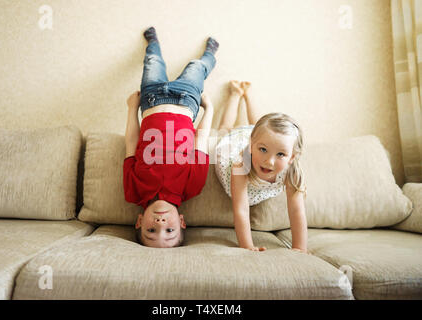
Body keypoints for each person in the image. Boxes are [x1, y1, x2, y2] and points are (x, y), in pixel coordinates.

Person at [123, 27, 217, 248]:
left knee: (152, 60)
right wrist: (210, 108)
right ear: (182, 222)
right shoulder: (192, 186)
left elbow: (131, 143)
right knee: (197, 67)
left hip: (151, 99)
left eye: (151, 230)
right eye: (169, 230)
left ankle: (153, 42)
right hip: (186, 99)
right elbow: (201, 139)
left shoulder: (133, 190)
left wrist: (131, 108)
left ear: (139, 221)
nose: (160, 222)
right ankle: (210, 54)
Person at [215, 81, 308, 252]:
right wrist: (247, 246)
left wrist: (300, 248)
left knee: (261, 131)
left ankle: (248, 95)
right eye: (263, 150)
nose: (269, 161)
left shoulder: (292, 172)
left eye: (281, 154)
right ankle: (236, 95)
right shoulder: (240, 166)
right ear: (251, 146)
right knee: (225, 129)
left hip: (254, 142)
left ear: (291, 157)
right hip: (234, 148)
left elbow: (297, 212)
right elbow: (241, 210)